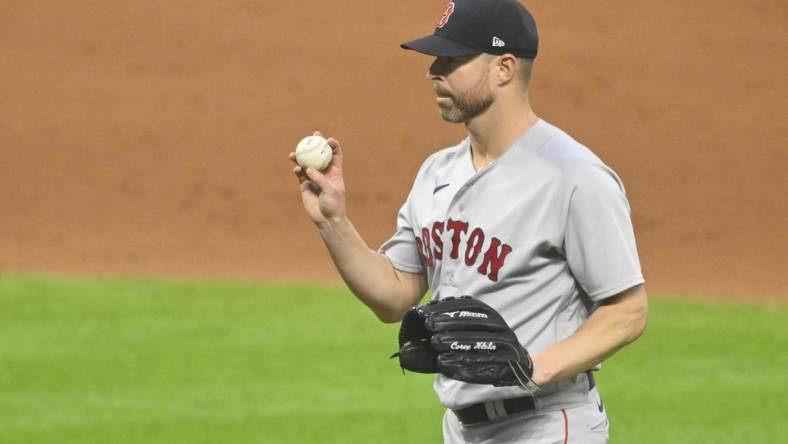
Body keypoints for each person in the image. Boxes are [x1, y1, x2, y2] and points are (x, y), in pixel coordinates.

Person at [288, 0, 648, 442]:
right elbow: (393, 296)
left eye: (453, 59)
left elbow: (628, 311)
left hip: (547, 424)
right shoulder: (437, 172)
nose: (434, 71)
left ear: (505, 67)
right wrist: (333, 221)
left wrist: (533, 367)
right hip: (462, 428)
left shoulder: (573, 177)